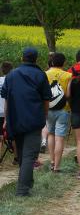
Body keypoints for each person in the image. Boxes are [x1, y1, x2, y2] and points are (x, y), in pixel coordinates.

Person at [1, 48, 51, 196]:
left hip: (15, 119)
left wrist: (6, 120)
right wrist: (44, 115)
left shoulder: (11, 75)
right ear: (35, 59)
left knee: (23, 155)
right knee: (29, 156)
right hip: (34, 120)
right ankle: (22, 190)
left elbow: (7, 98)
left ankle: (27, 183)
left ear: (22, 58)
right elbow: (46, 99)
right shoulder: (40, 75)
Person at [46, 52, 72, 173]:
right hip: (63, 109)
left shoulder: (45, 74)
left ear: (52, 62)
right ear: (64, 62)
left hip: (48, 108)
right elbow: (68, 95)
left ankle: (51, 161)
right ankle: (57, 166)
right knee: (59, 138)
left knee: (50, 134)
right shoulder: (68, 75)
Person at [0, 62, 13, 157]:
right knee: (14, 137)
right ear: (12, 70)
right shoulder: (13, 81)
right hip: (9, 112)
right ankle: (16, 158)